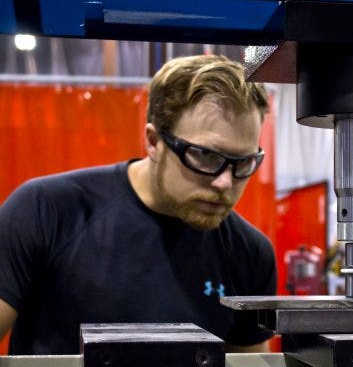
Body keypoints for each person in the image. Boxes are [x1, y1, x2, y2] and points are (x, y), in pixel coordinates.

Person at [0, 55, 277, 355]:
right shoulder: (46, 211)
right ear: (153, 141)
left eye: (244, 162)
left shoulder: (249, 251)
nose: (225, 182)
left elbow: (249, 362)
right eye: (205, 156)